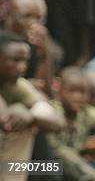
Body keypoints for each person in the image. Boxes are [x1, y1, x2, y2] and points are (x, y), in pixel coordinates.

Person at [0, 30, 64, 181]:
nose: (22, 67)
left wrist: (31, 116)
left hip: (7, 167)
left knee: (49, 165)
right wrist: (19, 111)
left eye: (25, 61)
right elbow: (4, 120)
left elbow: (57, 122)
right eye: (14, 60)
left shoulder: (17, 84)